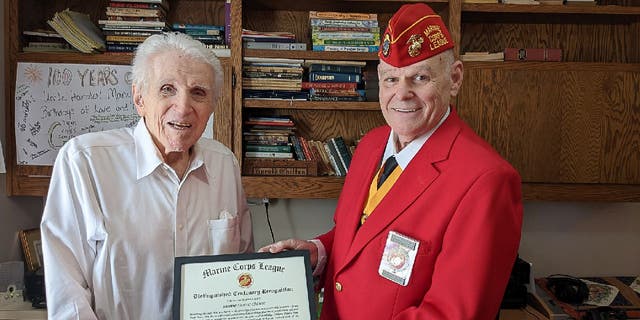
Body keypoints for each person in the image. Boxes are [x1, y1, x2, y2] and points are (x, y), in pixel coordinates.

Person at [259, 3, 523, 319]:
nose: (402, 94)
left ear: (454, 79)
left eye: (420, 78)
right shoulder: (371, 145)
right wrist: (320, 251)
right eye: (390, 79)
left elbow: (452, 314)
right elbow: (363, 238)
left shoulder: (486, 180)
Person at [40, 32, 254, 319]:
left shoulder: (224, 164)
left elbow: (241, 274)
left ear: (212, 105)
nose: (183, 107)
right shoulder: (85, 161)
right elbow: (68, 295)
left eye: (198, 92)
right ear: (139, 98)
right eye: (167, 89)